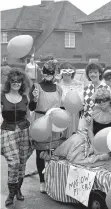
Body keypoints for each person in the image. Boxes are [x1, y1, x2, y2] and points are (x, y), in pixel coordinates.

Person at [54, 88, 111, 163]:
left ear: (109, 100)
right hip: (92, 140)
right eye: (98, 101)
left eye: (104, 100)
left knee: (105, 156)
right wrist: (94, 146)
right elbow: (90, 130)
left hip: (106, 143)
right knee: (76, 140)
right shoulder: (94, 111)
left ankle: (98, 157)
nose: (101, 103)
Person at [29, 59, 63, 193]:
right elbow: (31, 107)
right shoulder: (36, 87)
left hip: (54, 122)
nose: (48, 74)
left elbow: (61, 107)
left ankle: (52, 179)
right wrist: (34, 99)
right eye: (46, 72)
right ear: (42, 72)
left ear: (54, 73)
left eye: (51, 72)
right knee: (40, 153)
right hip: (40, 120)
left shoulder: (58, 88)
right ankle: (42, 181)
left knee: (53, 153)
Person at [1, 68, 33, 206]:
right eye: (13, 80)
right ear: (9, 82)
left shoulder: (25, 98)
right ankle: (11, 193)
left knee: (22, 162)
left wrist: (32, 132)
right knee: (13, 162)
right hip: (8, 130)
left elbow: (28, 114)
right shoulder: (2, 96)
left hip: (24, 131)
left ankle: (18, 190)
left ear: (22, 82)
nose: (16, 83)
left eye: (19, 81)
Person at [58, 62, 80, 137]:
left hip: (74, 115)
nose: (67, 74)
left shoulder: (78, 84)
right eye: (64, 71)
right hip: (61, 113)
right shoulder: (57, 85)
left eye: (69, 71)